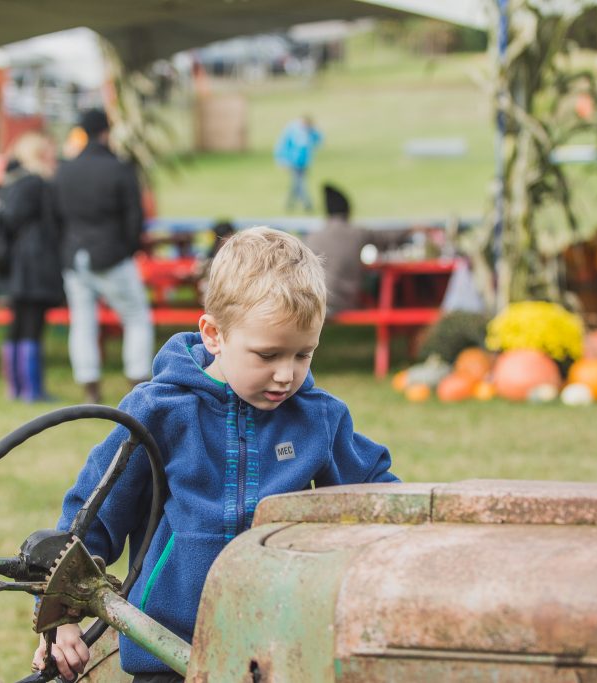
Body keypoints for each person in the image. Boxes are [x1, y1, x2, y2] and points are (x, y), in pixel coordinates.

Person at [31, 226, 398, 681]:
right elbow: (94, 518)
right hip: (165, 649)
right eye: (267, 355)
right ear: (214, 334)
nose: (287, 374)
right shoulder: (158, 412)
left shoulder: (317, 419)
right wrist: (60, 619)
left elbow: (379, 499)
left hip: (280, 649)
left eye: (304, 354)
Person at [52, 108, 153, 404]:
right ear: (105, 132)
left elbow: (56, 216)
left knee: (82, 322)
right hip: (111, 254)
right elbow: (135, 217)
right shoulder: (119, 168)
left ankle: (90, 388)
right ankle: (136, 380)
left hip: (74, 255)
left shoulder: (65, 169)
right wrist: (128, 248)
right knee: (135, 317)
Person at [1, 132, 63, 402]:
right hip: (36, 263)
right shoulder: (38, 183)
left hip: (17, 263)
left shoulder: (12, 181)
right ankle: (32, 389)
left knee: (17, 324)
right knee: (32, 325)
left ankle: (15, 387)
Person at [304, 183, 409, 316]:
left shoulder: (313, 237)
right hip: (343, 301)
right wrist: (412, 228)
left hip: (315, 298)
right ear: (348, 210)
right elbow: (387, 237)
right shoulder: (357, 233)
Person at [274, 115, 323, 212]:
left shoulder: (309, 131)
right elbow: (282, 145)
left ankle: (289, 205)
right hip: (292, 162)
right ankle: (308, 204)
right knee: (300, 184)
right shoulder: (292, 130)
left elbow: (318, 140)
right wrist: (281, 159)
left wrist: (313, 130)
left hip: (304, 163)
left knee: (295, 185)